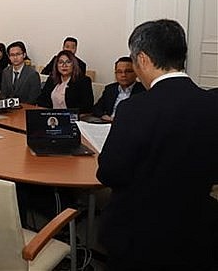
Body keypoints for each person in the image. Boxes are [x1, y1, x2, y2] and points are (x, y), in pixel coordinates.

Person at [97, 19, 218, 270]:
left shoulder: (134, 109)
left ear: (142, 59)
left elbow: (109, 172)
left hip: (138, 238)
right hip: (197, 232)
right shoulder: (211, 104)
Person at [92, 56, 145, 122]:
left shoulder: (143, 91)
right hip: (108, 124)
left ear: (136, 73)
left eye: (128, 71)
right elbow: (96, 108)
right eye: (119, 72)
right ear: (115, 74)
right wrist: (104, 116)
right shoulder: (110, 89)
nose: (123, 75)